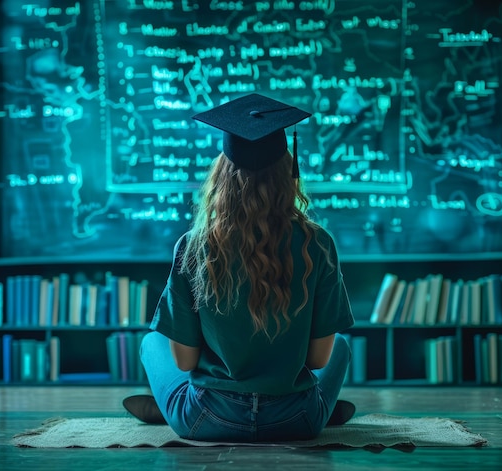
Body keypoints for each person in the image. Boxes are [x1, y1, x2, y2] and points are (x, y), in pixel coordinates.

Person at [123, 93, 356, 442]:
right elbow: (320, 358)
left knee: (153, 341)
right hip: (296, 419)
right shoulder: (317, 243)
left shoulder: (194, 246)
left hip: (208, 417)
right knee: (341, 346)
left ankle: (172, 404)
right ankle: (320, 405)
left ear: (222, 175)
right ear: (286, 172)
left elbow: (184, 362)